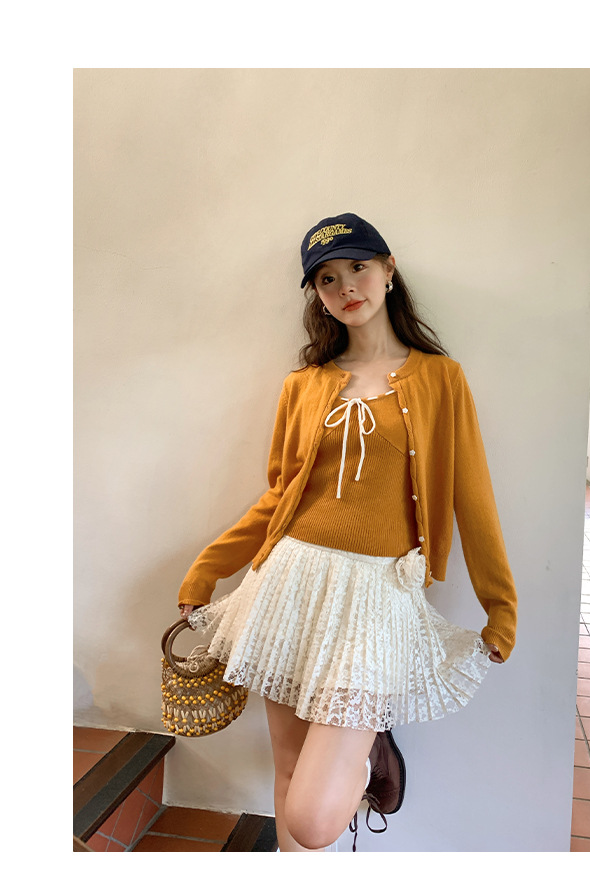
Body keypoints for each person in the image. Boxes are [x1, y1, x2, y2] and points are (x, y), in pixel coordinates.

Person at [177, 213, 517, 852]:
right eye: (327, 278)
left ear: (388, 271)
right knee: (287, 769)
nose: (346, 287)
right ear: (317, 295)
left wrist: (501, 608)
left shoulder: (440, 379)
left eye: (358, 266)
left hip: (375, 597)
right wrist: (207, 570)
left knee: (313, 816)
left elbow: (472, 497)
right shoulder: (304, 385)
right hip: (290, 583)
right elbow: (279, 497)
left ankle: (365, 759)